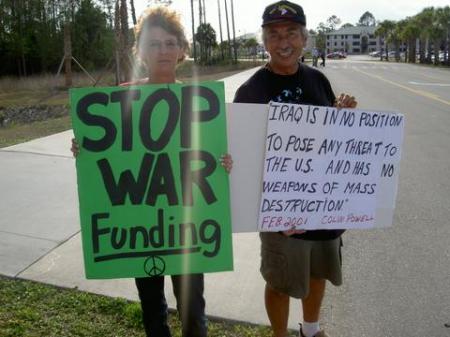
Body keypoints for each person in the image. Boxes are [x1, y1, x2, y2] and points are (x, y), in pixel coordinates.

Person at [71, 6, 232, 337]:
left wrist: (223, 163)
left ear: (183, 49)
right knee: (152, 309)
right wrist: (83, 149)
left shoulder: (199, 102)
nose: (163, 50)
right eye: (154, 43)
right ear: (141, 51)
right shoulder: (123, 96)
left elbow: (210, 158)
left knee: (193, 311)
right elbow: (110, 157)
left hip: (187, 227)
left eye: (171, 43)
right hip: (140, 228)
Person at [233, 1, 356, 337]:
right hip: (280, 212)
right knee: (280, 281)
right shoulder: (251, 90)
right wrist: (270, 212)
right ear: (265, 42)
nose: (283, 41)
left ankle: (311, 329)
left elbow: (331, 138)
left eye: (291, 33)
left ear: (304, 39)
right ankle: (279, 334)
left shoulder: (318, 79)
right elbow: (241, 156)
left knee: (317, 271)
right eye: (274, 35)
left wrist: (342, 115)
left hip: (322, 206)